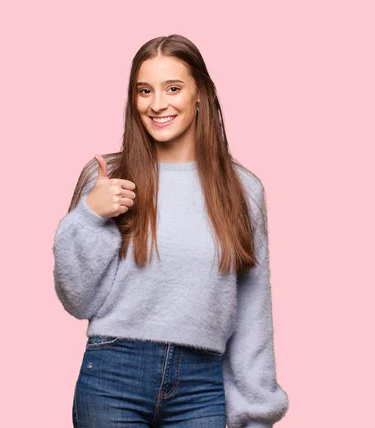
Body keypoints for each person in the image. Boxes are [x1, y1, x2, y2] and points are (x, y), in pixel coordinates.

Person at [52, 34, 290, 428]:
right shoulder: (109, 178)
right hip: (114, 375)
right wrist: (88, 216)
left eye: (173, 88)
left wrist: (256, 411)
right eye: (144, 91)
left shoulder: (243, 190)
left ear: (200, 94)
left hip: (202, 385)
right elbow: (77, 300)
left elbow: (253, 311)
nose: (157, 104)